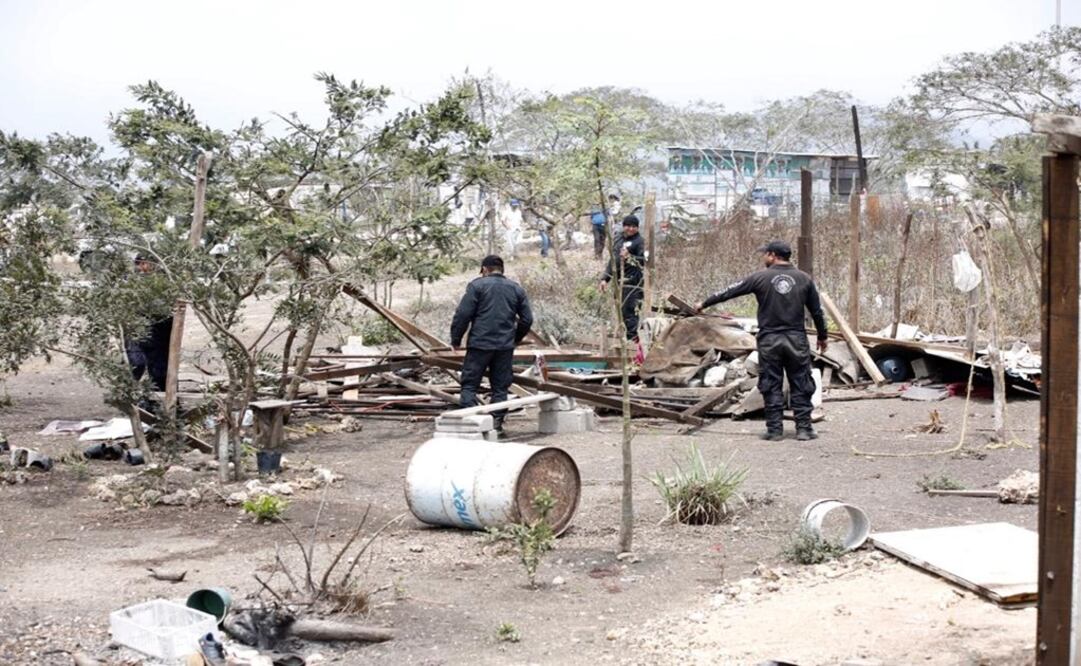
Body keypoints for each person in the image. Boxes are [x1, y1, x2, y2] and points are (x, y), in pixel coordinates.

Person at [695, 240, 828, 442]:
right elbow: (817, 311)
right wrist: (822, 336)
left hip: (770, 339)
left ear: (772, 255)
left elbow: (729, 291)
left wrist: (704, 303)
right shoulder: (804, 279)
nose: (763, 257)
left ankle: (774, 430)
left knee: (771, 382)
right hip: (796, 339)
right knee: (801, 381)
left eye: (765, 254)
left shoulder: (759, 277)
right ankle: (804, 429)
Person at [450, 255, 534, 433]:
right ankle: (496, 424)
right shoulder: (516, 289)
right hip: (504, 346)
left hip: (480, 344)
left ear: (484, 269)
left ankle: (472, 423)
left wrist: (455, 340)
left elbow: (463, 315)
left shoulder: (477, 286)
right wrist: (515, 338)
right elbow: (527, 319)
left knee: (469, 385)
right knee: (500, 388)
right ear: (502, 270)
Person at [125, 254, 174, 392]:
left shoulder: (165, 279)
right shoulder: (131, 280)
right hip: (139, 326)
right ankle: (130, 393)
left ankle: (159, 396)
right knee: (136, 362)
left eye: (145, 263)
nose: (142, 267)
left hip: (160, 327)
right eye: (138, 264)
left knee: (160, 365)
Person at [599, 215, 646, 341]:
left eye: (634, 227)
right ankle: (623, 340)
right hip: (619, 282)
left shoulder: (640, 242)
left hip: (633, 283)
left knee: (630, 312)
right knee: (621, 312)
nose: (631, 229)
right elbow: (613, 261)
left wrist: (630, 257)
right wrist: (605, 279)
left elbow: (645, 261)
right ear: (623, 226)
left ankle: (633, 342)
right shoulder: (618, 238)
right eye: (628, 226)